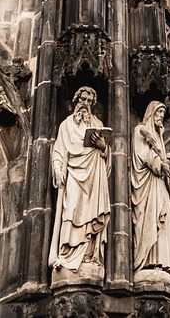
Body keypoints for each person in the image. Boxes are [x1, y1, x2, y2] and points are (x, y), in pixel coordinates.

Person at [51, 86, 111, 272]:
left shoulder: (98, 124)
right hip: (74, 178)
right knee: (72, 211)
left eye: (88, 101)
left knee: (91, 215)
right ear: (75, 101)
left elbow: (107, 157)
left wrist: (103, 147)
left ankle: (89, 255)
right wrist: (58, 169)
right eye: (82, 100)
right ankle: (68, 253)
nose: (84, 104)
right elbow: (59, 151)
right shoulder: (66, 125)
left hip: (94, 177)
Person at [131, 101, 170, 275]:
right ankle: (151, 261)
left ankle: (167, 263)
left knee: (167, 221)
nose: (161, 117)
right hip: (147, 184)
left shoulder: (157, 136)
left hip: (158, 183)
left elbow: (159, 156)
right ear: (151, 114)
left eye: (163, 114)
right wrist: (160, 163)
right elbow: (142, 154)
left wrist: (168, 162)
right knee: (151, 220)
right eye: (159, 113)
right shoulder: (140, 130)